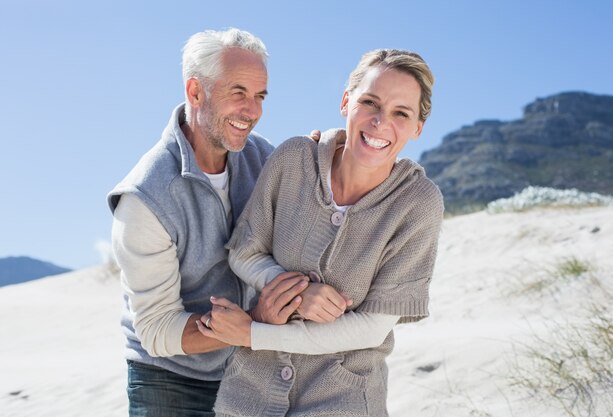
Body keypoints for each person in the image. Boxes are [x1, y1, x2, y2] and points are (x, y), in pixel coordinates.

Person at [197, 48, 444, 416]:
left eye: (400, 113)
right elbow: (245, 251)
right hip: (247, 396)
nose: (379, 122)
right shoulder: (295, 158)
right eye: (370, 103)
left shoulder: (417, 204)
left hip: (343, 400)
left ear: (417, 128)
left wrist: (252, 334)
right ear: (346, 102)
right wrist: (296, 292)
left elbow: (370, 330)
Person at [107, 28, 329, 417]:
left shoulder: (268, 162)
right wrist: (252, 323)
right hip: (170, 379)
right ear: (195, 92)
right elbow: (157, 330)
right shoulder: (145, 199)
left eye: (260, 96)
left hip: (251, 368)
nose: (252, 111)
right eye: (238, 92)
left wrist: (328, 155)